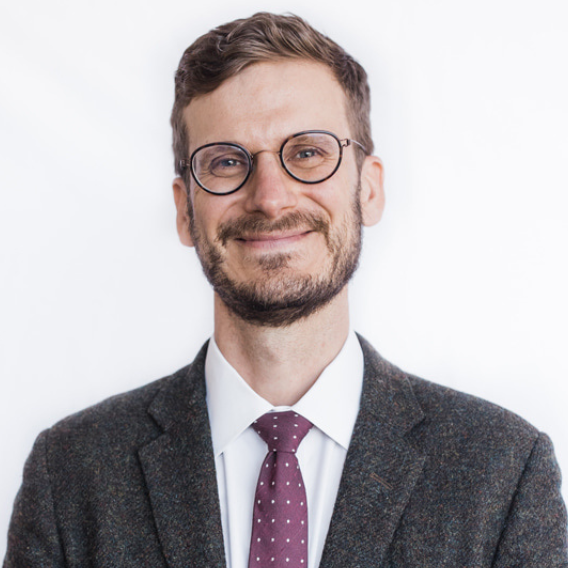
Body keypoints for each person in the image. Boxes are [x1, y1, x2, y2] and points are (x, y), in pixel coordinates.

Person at [4, 12, 567, 568]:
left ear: (368, 190)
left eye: (307, 153)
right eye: (226, 162)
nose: (270, 197)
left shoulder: (502, 470)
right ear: (183, 210)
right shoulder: (71, 474)